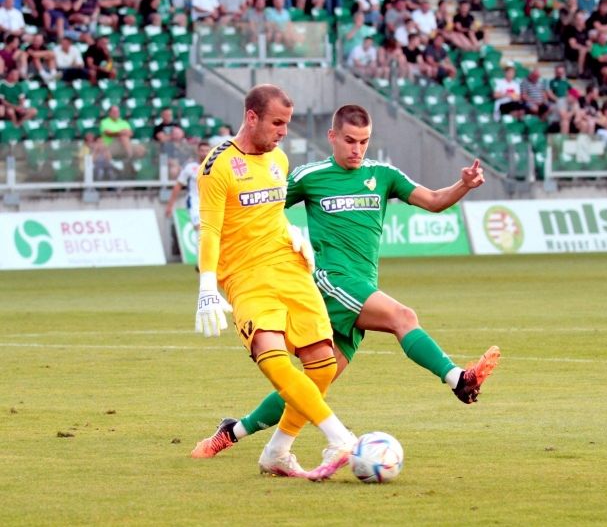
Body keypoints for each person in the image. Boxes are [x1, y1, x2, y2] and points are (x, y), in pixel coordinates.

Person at [192, 104, 500, 475]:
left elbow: (434, 201)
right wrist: (220, 258)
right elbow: (259, 208)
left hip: (361, 287)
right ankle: (459, 380)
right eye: (350, 141)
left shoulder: (383, 175)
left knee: (312, 384)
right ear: (333, 137)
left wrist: (463, 185)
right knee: (403, 317)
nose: (357, 149)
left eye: (364, 142)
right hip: (332, 281)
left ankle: (236, 434)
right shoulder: (310, 176)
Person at [190, 84, 357, 482]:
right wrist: (207, 286)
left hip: (290, 266)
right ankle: (340, 438)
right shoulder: (218, 166)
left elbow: (270, 212)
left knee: (322, 364)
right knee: (274, 357)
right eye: (277, 123)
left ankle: (277, 451)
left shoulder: (278, 159)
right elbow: (210, 229)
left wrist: (292, 232)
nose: (284, 132)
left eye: (287, 123)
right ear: (252, 117)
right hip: (246, 274)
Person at [166, 140, 210, 234]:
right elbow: (178, 185)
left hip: (210, 202)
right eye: (202, 151)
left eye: (207, 151)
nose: (204, 153)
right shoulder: (190, 167)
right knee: (200, 229)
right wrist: (170, 205)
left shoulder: (215, 167)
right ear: (198, 151)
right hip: (194, 201)